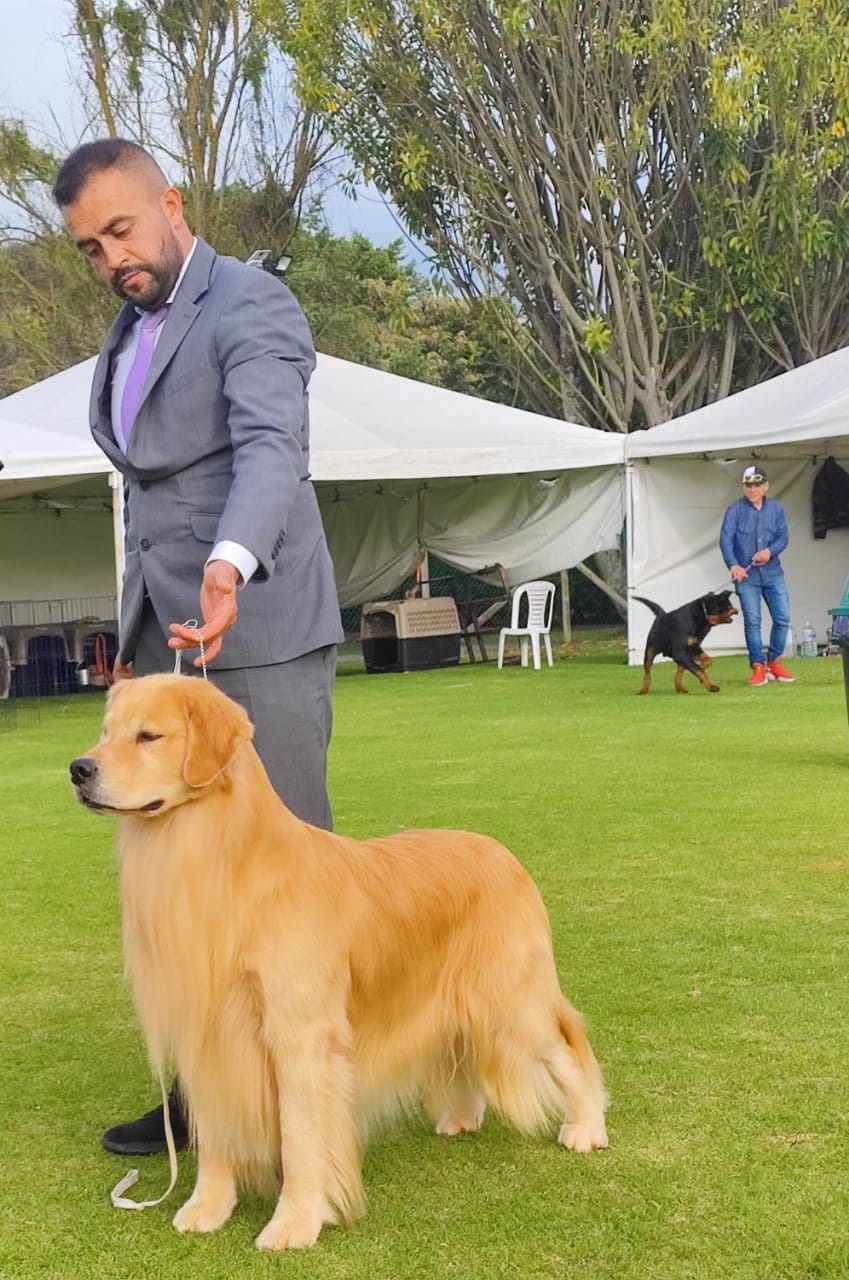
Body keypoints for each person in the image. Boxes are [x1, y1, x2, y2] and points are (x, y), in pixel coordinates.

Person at [53, 138, 344, 1155]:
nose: (110, 261)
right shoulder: (126, 334)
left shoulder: (253, 304)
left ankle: (304, 1095)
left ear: (170, 203)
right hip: (165, 642)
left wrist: (228, 564)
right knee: (183, 887)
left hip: (257, 621)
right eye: (90, 247)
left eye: (120, 231)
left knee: (289, 880)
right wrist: (138, 632)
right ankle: (204, 1098)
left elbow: (272, 448)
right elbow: (149, 490)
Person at [720, 465, 796, 687]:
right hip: (747, 577)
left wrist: (769, 551)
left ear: (765, 486)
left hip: (773, 572)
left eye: (756, 485)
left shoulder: (776, 509)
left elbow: (783, 537)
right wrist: (734, 565)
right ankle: (758, 667)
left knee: (782, 617)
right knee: (753, 621)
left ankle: (775, 662)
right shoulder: (734, 511)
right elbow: (725, 541)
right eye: (748, 485)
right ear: (744, 487)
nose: (752, 489)